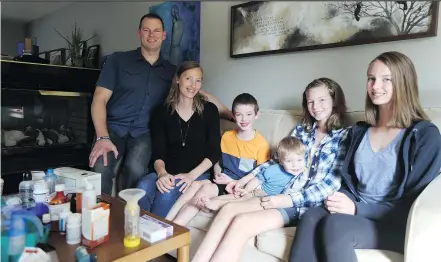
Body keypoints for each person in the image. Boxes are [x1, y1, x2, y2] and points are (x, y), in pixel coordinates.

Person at [288, 51, 441, 262]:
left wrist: (357, 209)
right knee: (312, 215)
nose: (376, 86)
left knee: (336, 225)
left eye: (386, 79)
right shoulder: (359, 132)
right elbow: (350, 183)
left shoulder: (424, 134)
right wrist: (341, 199)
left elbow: (415, 202)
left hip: (394, 221)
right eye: (371, 79)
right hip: (357, 208)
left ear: (404, 82)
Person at [191, 77, 350, 262]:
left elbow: (329, 186)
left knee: (241, 223)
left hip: (304, 206)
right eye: (310, 101)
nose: (316, 106)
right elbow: (275, 162)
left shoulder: (345, 136)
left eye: (322, 100)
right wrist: (243, 181)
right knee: (227, 210)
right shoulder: (302, 131)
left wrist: (285, 199)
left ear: (334, 100)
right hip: (277, 193)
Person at [88, 13, 232, 195]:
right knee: (101, 169)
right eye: (146, 30)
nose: (151, 35)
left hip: (144, 132)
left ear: (164, 35)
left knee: (136, 170)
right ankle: (100, 215)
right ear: (139, 33)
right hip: (112, 128)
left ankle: (127, 214)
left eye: (157, 31)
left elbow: (197, 91)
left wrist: (228, 113)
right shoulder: (117, 60)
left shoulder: (172, 71)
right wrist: (102, 137)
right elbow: (99, 99)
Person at [165, 93, 271, 225]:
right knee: (195, 185)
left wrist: (233, 181)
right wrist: (217, 171)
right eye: (239, 114)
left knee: (203, 191)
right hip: (221, 180)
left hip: (238, 187)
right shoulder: (227, 136)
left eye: (249, 114)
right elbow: (216, 159)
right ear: (233, 115)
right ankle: (166, 222)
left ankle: (176, 227)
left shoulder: (261, 145)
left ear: (256, 115)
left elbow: (261, 179)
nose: (244, 119)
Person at [136, 60, 221, 218]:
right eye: (188, 78)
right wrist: (162, 174)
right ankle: (141, 232)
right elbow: (158, 151)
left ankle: (157, 237)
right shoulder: (161, 112)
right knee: (142, 187)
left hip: (196, 174)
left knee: (166, 193)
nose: (193, 85)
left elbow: (214, 152)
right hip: (167, 171)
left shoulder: (209, 110)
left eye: (198, 80)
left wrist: (191, 176)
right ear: (177, 79)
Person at [200, 136, 308, 212]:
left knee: (238, 199)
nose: (295, 165)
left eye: (299, 160)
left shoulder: (303, 174)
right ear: (281, 160)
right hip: (259, 191)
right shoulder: (274, 170)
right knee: (239, 198)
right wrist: (246, 189)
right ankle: (213, 203)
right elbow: (257, 179)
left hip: (272, 199)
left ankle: (212, 204)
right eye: (289, 161)